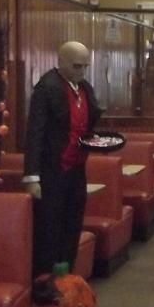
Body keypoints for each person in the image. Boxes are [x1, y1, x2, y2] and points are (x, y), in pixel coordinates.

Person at [23, 41, 102, 278]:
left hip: (77, 169)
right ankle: (45, 283)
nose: (81, 71)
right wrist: (32, 177)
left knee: (72, 224)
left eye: (85, 67)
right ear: (61, 62)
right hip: (51, 170)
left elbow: (87, 123)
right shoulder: (47, 88)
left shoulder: (85, 88)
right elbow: (34, 133)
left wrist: (93, 138)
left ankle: (67, 278)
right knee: (49, 228)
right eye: (77, 66)